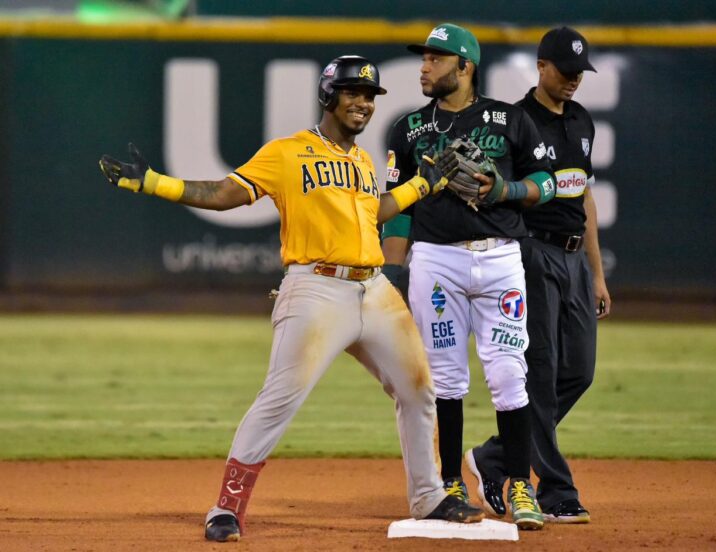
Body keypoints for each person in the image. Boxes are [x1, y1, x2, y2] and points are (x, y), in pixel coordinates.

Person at [99, 55, 484, 543]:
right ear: (328, 96)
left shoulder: (362, 161)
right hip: (315, 289)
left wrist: (422, 184)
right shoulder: (288, 152)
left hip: (374, 289)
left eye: (370, 96)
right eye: (353, 93)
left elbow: (374, 213)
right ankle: (226, 508)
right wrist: (156, 183)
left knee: (419, 389)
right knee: (279, 399)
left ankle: (428, 496)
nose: (363, 103)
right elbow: (225, 193)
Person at [382, 24, 556, 531]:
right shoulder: (408, 129)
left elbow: (546, 183)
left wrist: (505, 191)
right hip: (436, 260)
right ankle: (451, 483)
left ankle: (519, 483)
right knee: (445, 377)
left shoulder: (510, 119)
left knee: (508, 374)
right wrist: (392, 272)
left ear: (465, 67)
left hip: (501, 257)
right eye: (423, 58)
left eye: (435, 59)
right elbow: (397, 212)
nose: (424, 67)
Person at [464, 27, 612, 525]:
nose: (574, 79)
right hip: (531, 253)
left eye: (579, 72)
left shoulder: (581, 120)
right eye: (565, 71)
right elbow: (495, 193)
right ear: (541, 66)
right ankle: (556, 490)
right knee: (541, 376)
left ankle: (493, 455)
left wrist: (596, 274)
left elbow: (585, 197)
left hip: (573, 259)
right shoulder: (514, 121)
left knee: (579, 372)